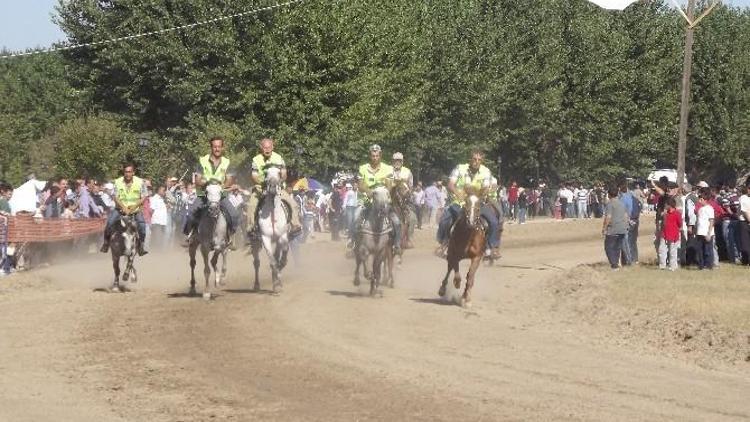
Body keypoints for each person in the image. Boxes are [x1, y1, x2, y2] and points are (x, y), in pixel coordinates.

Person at [436, 150, 500, 259]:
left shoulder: (486, 171)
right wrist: (457, 193)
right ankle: (444, 244)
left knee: (493, 221)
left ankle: (491, 247)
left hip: (477, 203)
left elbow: (485, 188)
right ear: (470, 160)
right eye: (474, 159)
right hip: (460, 202)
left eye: (479, 160)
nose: (477, 162)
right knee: (444, 221)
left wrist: (482, 193)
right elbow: (451, 184)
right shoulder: (460, 168)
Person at [181, 137, 241, 249]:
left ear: (222, 147)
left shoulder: (227, 162)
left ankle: (230, 237)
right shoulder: (202, 161)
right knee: (190, 214)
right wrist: (206, 183)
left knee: (234, 215)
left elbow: (230, 179)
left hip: (220, 195)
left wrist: (221, 186)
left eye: (219, 146)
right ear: (211, 147)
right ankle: (189, 236)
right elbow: (198, 179)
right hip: (204, 194)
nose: (217, 149)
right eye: (215, 146)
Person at [246, 138, 302, 239]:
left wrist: (279, 181)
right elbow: (254, 176)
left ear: (272, 147)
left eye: (269, 147)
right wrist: (263, 183)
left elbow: (284, 174)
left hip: (278, 188)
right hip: (261, 188)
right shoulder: (256, 159)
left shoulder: (279, 158)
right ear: (261, 148)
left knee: (293, 204)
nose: (267, 150)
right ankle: (252, 228)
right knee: (251, 205)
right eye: (264, 148)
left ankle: (295, 225)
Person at [350, 144, 401, 254]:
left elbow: (388, 185)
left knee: (396, 222)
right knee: (354, 217)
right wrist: (368, 191)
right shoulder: (362, 168)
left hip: (383, 201)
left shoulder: (388, 168)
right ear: (370, 155)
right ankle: (353, 241)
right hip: (366, 200)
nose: (375, 158)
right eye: (373, 156)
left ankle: (396, 245)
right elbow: (360, 184)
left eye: (377, 156)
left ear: (380, 155)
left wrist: (382, 192)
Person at [100, 162, 148, 256]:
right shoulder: (118, 182)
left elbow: (144, 197)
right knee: (109, 223)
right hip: (120, 209)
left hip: (135, 210)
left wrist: (133, 207)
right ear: (123, 172)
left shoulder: (140, 182)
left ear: (133, 172)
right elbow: (115, 197)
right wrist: (124, 208)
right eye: (126, 172)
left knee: (142, 226)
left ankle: (141, 246)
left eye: (130, 172)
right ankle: (106, 243)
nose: (128, 174)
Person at [602, 187, 629, 270]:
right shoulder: (622, 203)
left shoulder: (610, 204)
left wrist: (604, 228)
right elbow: (626, 216)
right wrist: (626, 226)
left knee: (608, 247)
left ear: (609, 195)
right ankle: (616, 263)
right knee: (617, 247)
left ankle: (614, 265)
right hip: (622, 228)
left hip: (613, 229)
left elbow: (608, 217)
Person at [659, 197, 682, 271]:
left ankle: (673, 266)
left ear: (670, 205)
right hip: (664, 234)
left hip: (673, 234)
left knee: (673, 251)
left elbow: (680, 224)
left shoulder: (677, 213)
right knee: (662, 249)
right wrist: (663, 215)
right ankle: (662, 265)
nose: (665, 206)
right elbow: (663, 223)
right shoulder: (665, 214)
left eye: (666, 205)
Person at [695, 189, 715, 270]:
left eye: (701, 199)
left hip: (706, 233)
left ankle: (708, 265)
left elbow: (711, 221)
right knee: (700, 250)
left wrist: (709, 233)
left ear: (705, 200)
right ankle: (701, 265)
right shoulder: (700, 209)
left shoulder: (709, 208)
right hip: (700, 232)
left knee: (708, 250)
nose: (699, 201)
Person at [149, 185, 168, 250]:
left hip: (162, 223)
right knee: (157, 240)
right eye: (163, 190)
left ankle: (158, 253)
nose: (164, 192)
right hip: (157, 223)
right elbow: (151, 210)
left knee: (160, 240)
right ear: (159, 190)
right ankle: (156, 254)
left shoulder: (161, 199)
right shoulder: (155, 198)